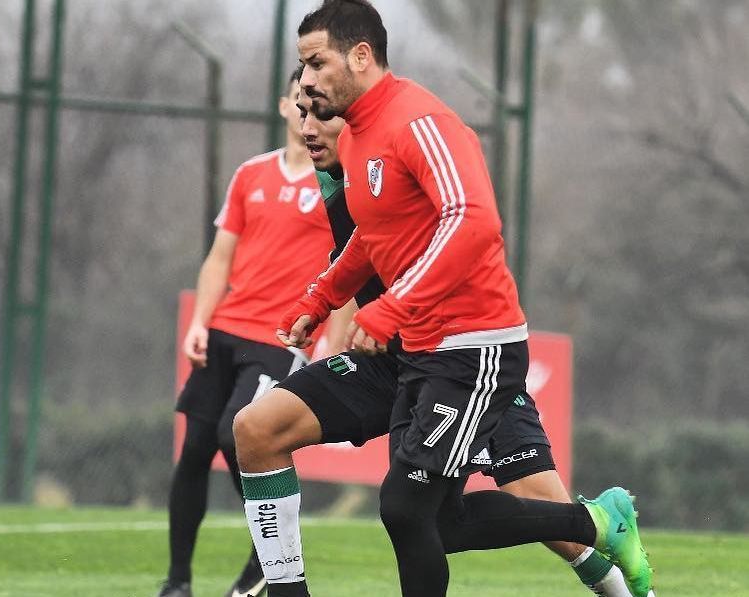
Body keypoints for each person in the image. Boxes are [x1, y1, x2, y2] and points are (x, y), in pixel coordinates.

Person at [231, 2, 655, 597]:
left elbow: (474, 220)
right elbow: (373, 239)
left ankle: (602, 532)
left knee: (420, 511)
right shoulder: (355, 141)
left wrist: (389, 308)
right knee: (285, 444)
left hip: (472, 347)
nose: (307, 84)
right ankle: (598, 525)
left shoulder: (417, 121)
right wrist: (323, 298)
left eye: (315, 64)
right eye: (300, 73)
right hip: (412, 353)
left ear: (360, 55)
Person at [157, 69, 347, 597]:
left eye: (319, 104)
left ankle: (270, 557)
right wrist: (200, 320)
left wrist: (333, 336)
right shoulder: (251, 175)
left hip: (282, 339)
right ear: (285, 106)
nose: (308, 112)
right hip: (224, 330)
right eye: (300, 101)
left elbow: (353, 262)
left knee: (233, 434)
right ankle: (177, 582)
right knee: (195, 448)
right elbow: (220, 259)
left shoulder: (335, 179)